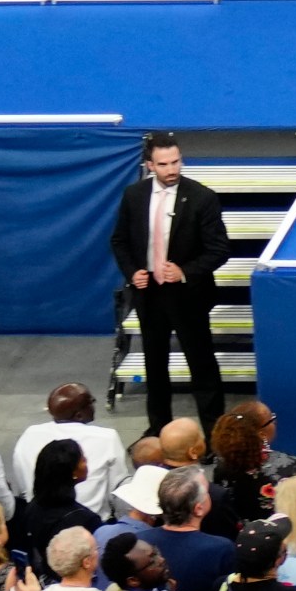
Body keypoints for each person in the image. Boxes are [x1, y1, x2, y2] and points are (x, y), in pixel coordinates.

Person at [109, 133, 231, 438]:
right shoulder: (133, 196)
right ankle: (159, 429)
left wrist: (184, 271)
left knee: (202, 366)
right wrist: (132, 271)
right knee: (155, 366)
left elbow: (219, 250)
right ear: (150, 164)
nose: (172, 169)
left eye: (176, 161)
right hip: (149, 295)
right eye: (163, 164)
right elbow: (120, 240)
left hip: (188, 295)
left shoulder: (203, 198)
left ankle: (215, 436)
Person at [11, 385, 132, 518]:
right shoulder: (107, 437)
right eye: (91, 402)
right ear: (79, 415)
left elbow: (22, 483)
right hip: (93, 525)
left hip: (38, 520)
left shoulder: (30, 434)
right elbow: (117, 488)